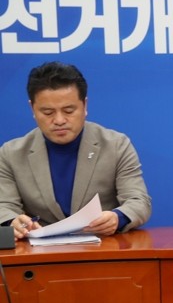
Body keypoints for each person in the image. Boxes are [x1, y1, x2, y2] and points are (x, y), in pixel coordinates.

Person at [0, 62, 152, 239]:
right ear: (32, 109)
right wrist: (12, 222)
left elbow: (139, 201)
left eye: (69, 110)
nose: (59, 120)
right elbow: (4, 206)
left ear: (85, 105)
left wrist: (117, 218)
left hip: (102, 246)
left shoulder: (116, 145)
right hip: (39, 249)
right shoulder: (11, 154)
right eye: (48, 112)